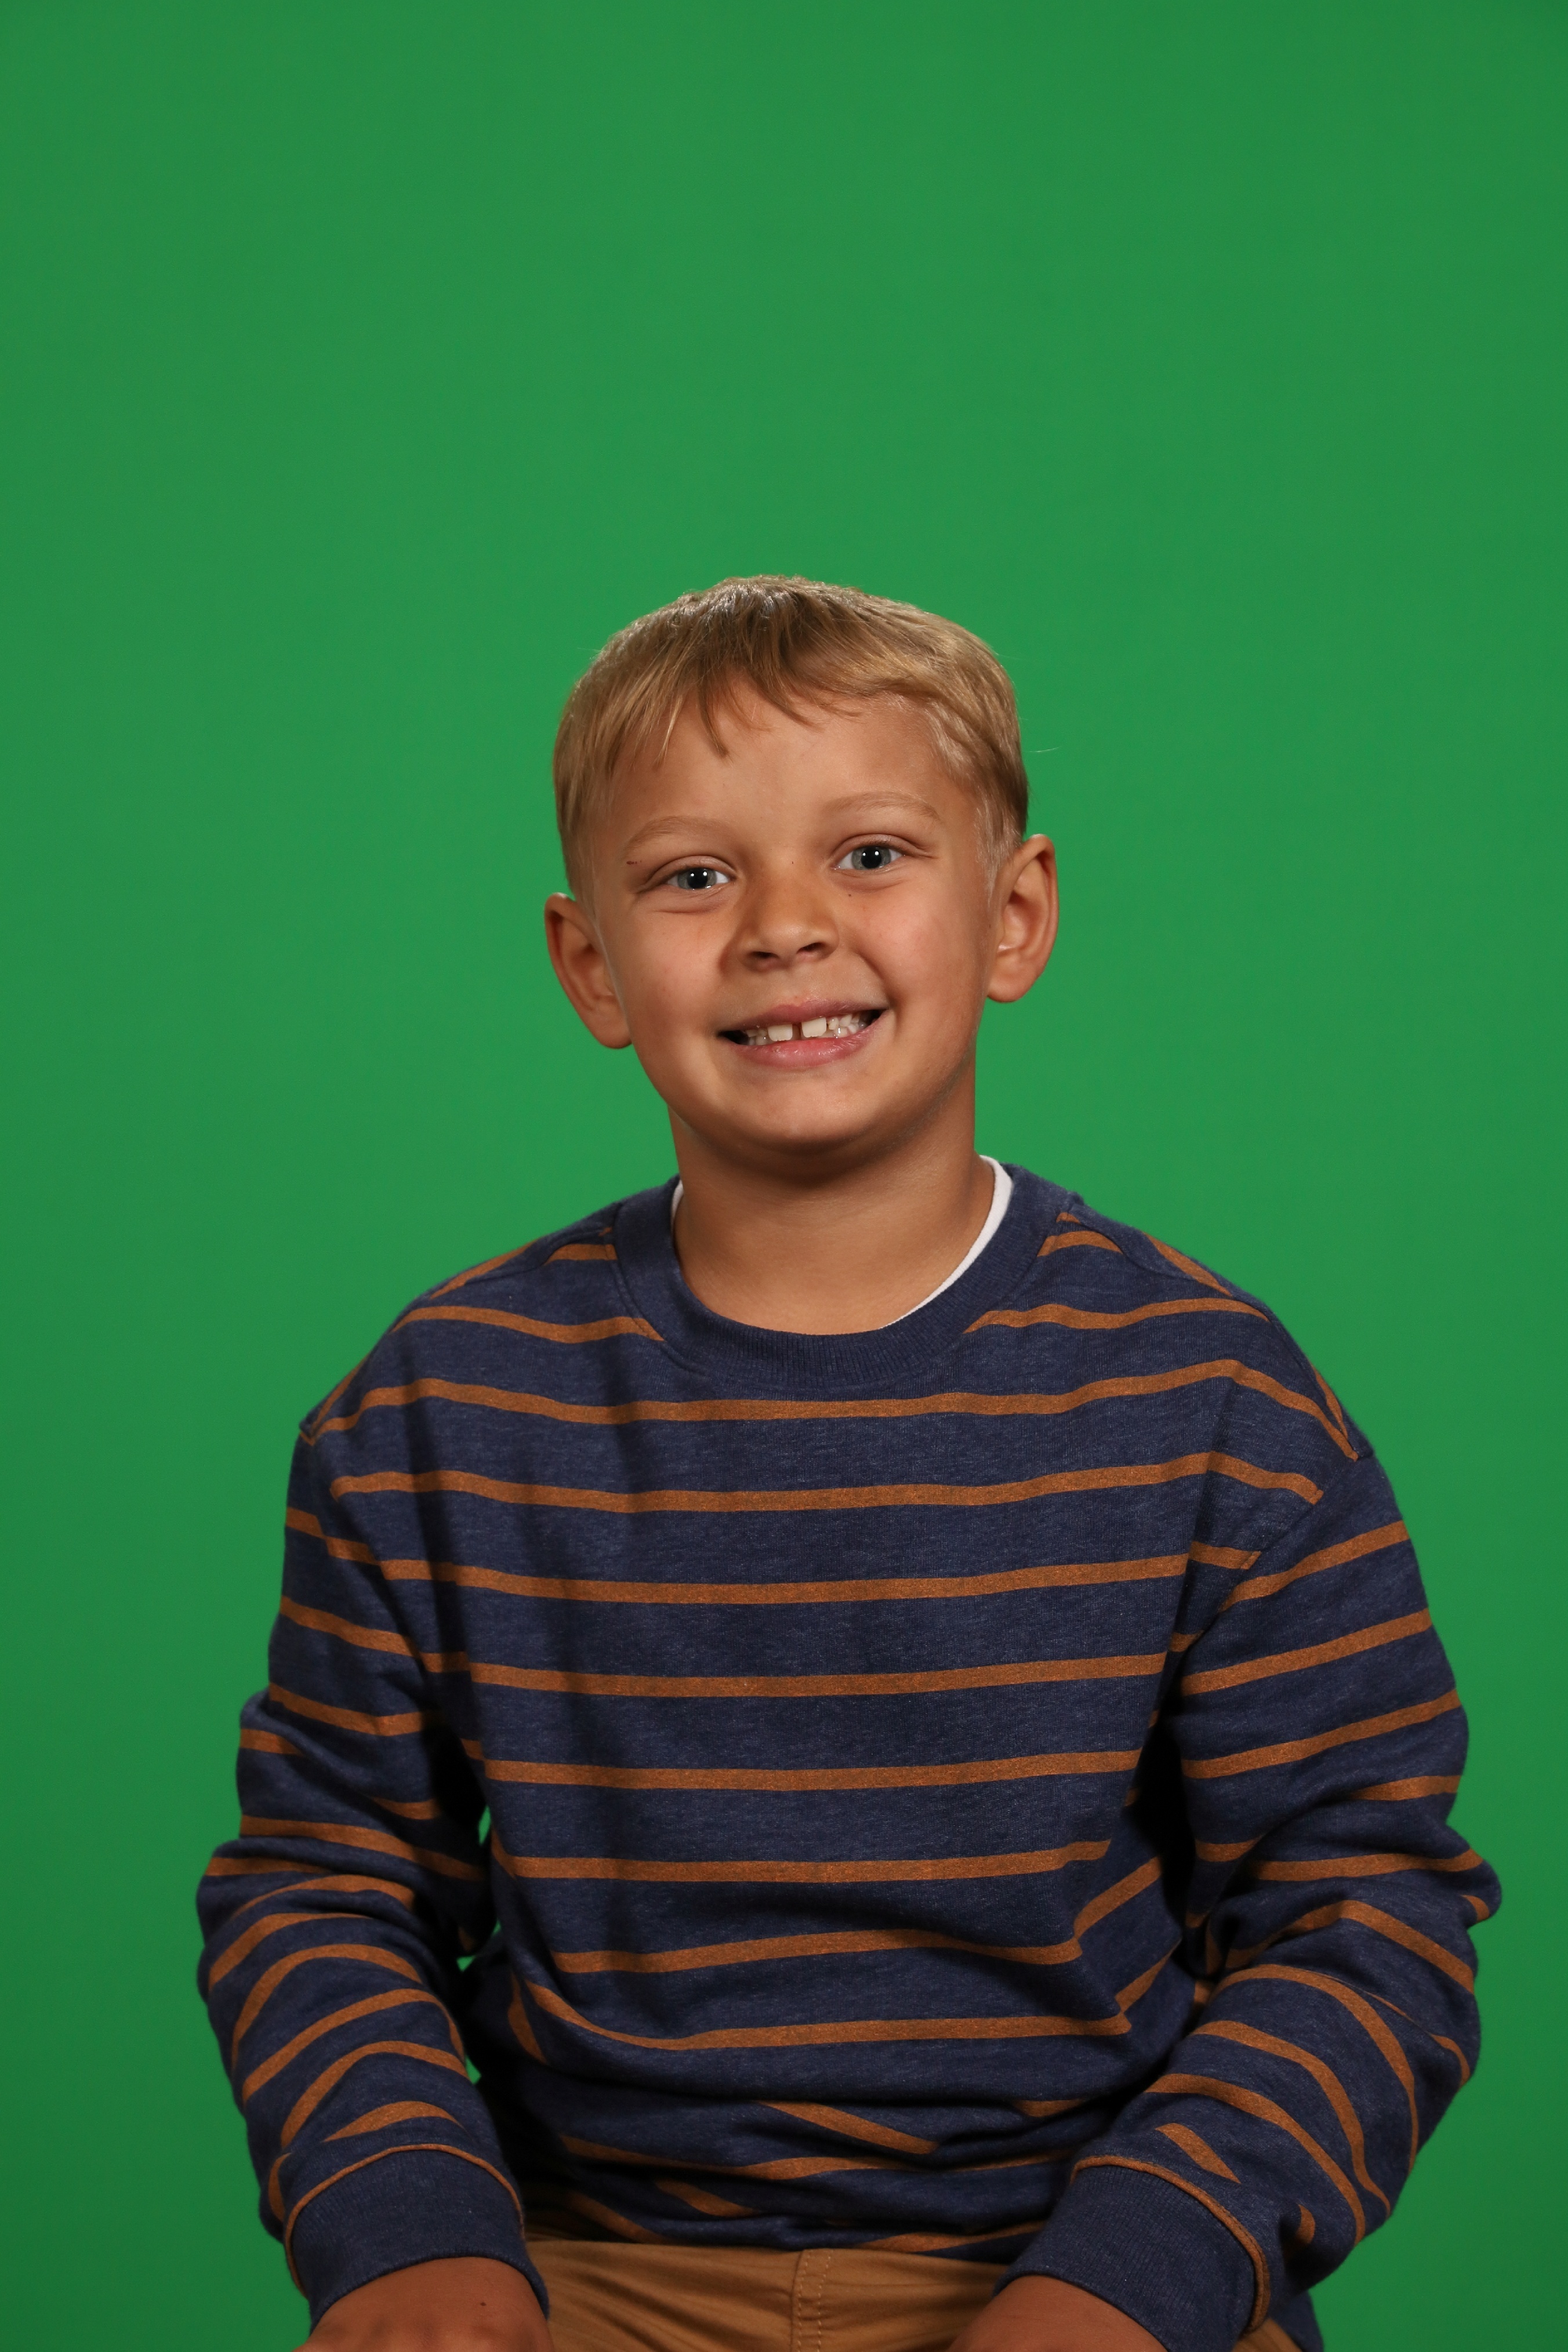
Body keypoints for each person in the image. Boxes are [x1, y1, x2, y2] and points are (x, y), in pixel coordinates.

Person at [198, 578, 1496, 2352]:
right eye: (693, 876)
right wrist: (410, 2236)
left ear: (1014, 914)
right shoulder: (437, 1408)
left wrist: (1137, 2281)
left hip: (1083, 2270)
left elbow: (1365, 1910)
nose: (784, 929)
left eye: (871, 854)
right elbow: (324, 1881)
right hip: (583, 2268)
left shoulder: (1217, 1401)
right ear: (591, 964)